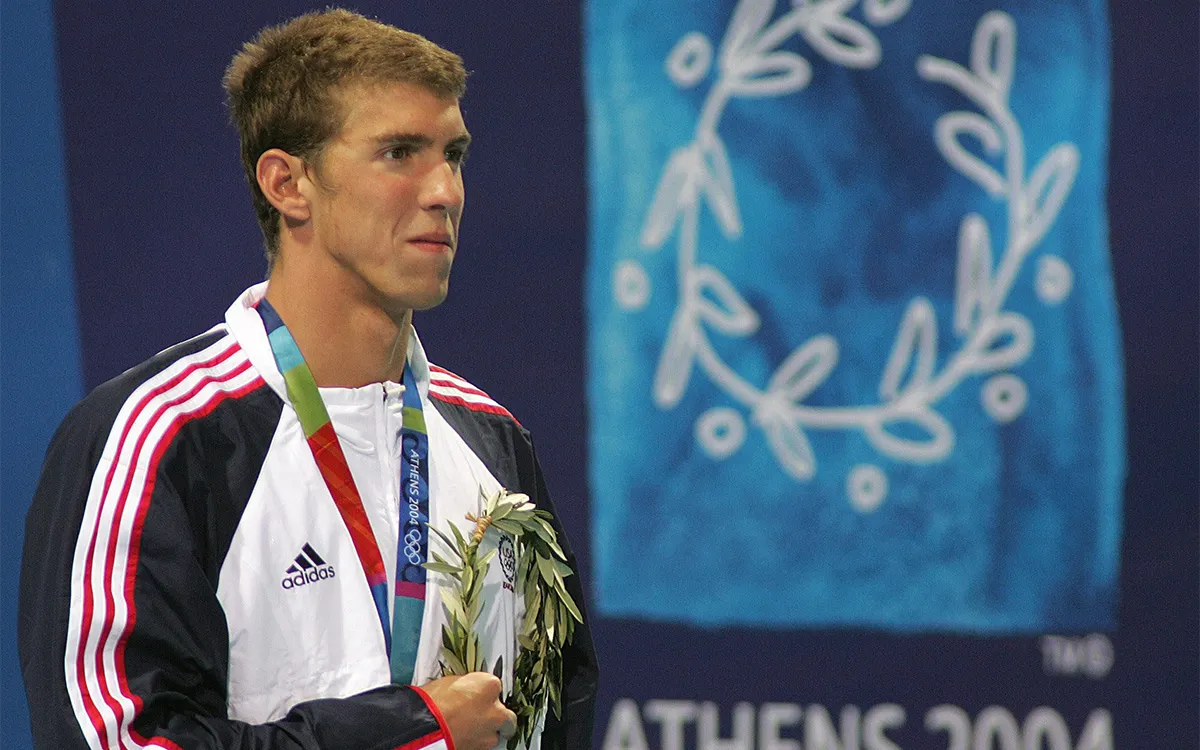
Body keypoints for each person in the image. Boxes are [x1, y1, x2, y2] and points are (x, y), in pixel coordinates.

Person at [18, 8, 597, 750]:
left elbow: (554, 710)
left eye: (453, 154)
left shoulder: (492, 442)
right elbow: (119, 741)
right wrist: (411, 733)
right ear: (288, 183)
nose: (445, 191)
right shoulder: (156, 437)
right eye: (399, 153)